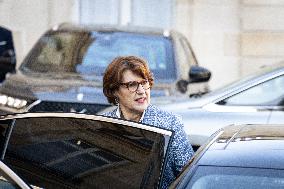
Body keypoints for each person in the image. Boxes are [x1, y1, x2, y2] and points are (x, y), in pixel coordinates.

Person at [102, 55, 194, 188]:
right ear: (115, 91)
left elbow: (188, 177)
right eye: (132, 85)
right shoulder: (103, 124)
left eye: (144, 83)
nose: (141, 91)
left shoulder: (170, 124)